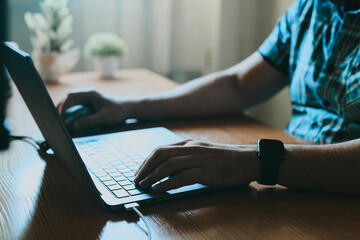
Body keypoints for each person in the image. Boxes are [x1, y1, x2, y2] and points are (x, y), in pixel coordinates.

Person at [58, 0, 360, 195]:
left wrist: (255, 161)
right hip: (293, 186)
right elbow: (238, 85)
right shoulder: (310, 8)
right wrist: (127, 108)